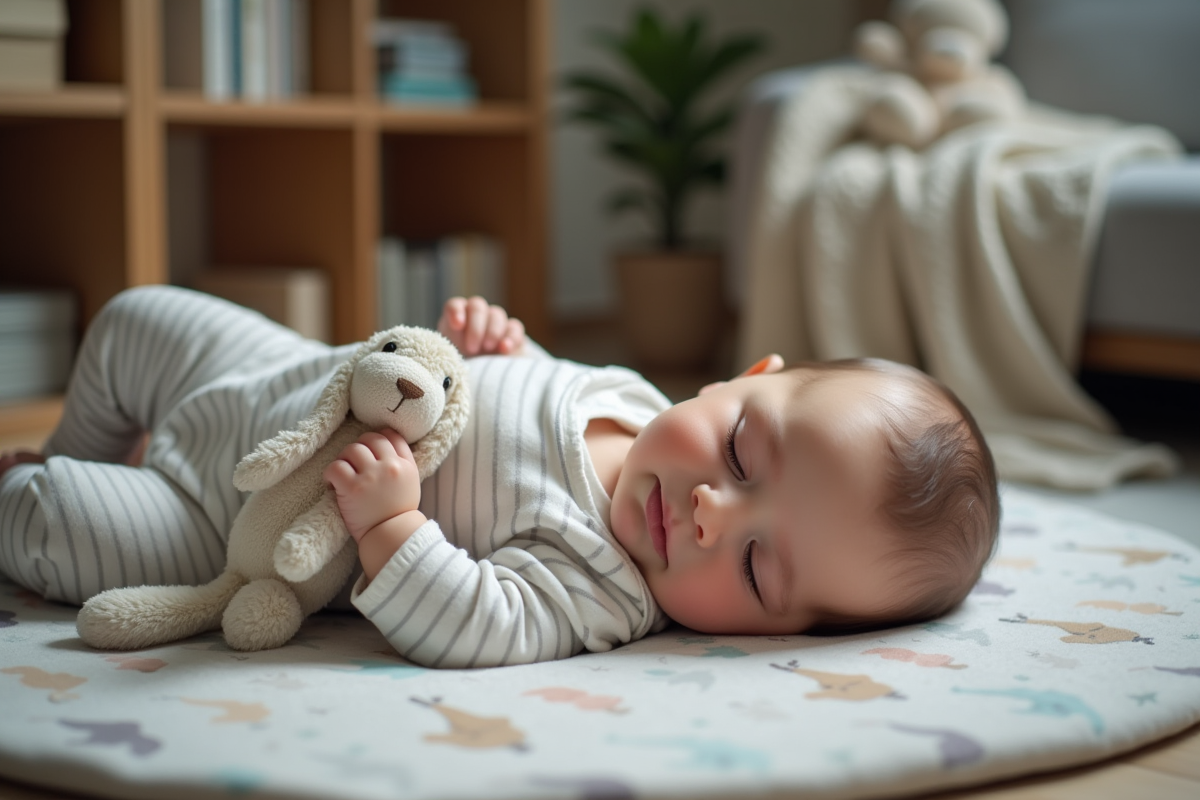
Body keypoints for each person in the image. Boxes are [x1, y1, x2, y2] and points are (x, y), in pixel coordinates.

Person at [0, 285, 999, 667]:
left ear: (780, 632)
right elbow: (520, 390)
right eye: (741, 454)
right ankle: (86, 444)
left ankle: (52, 482)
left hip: (223, 521)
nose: (708, 513)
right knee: (134, 317)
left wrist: (393, 528)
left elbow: (482, 620)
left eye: (756, 568)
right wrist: (500, 350)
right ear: (746, 377)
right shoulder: (629, 392)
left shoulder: (605, 588)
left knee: (57, 522)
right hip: (272, 374)